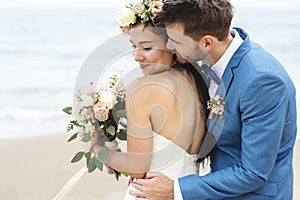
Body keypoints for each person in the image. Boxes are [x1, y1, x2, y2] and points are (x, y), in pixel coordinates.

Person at [130, 0, 297, 199]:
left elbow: (254, 172)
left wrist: (175, 189)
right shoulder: (208, 58)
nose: (169, 46)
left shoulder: (261, 82)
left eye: (175, 40)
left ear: (207, 43)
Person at [94, 1, 209, 199]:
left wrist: (98, 149)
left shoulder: (143, 88)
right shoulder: (199, 82)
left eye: (146, 48)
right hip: (184, 192)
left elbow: (137, 167)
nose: (136, 57)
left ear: (172, 45)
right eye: (133, 46)